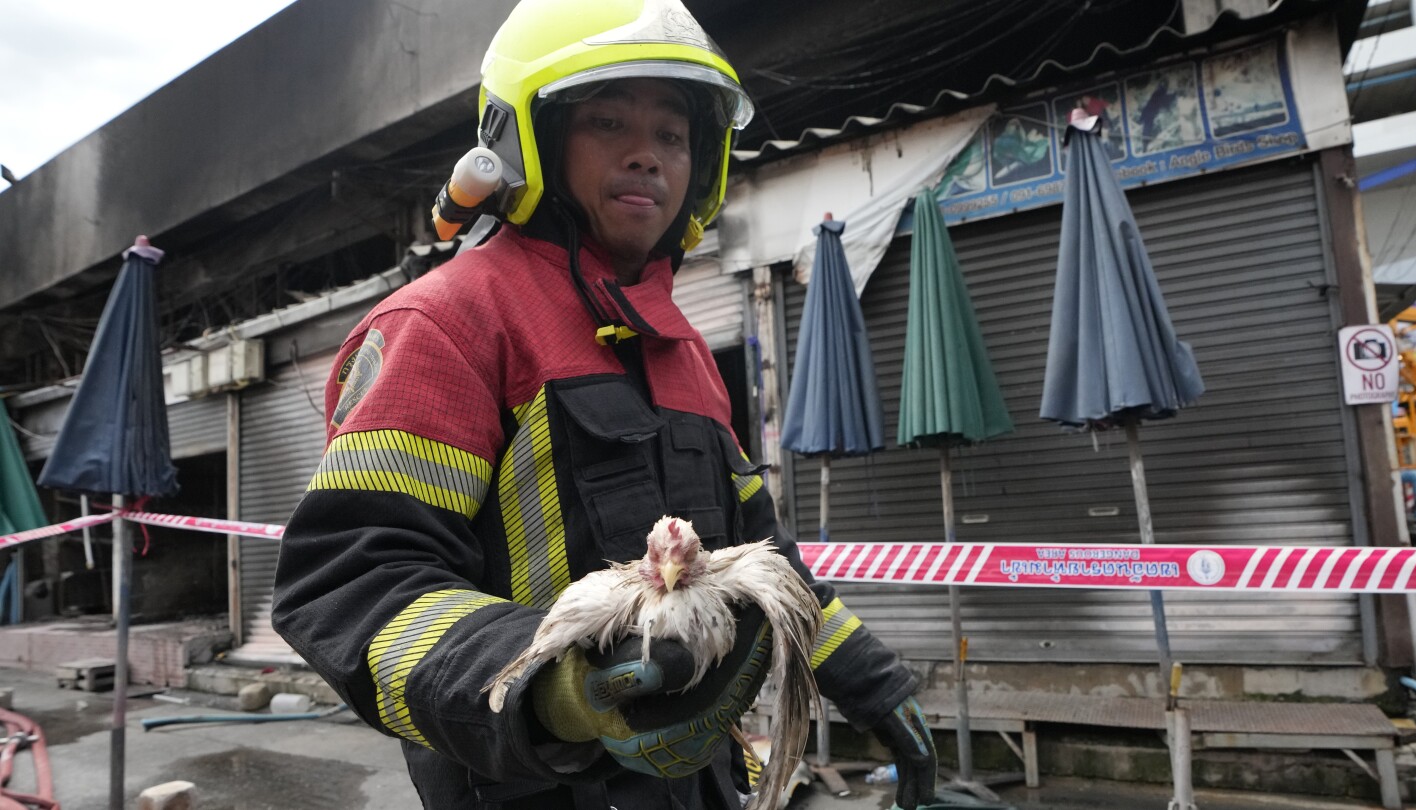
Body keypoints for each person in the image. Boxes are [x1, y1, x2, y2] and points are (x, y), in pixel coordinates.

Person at [271, 1, 937, 808]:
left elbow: (763, 559)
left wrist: (873, 687)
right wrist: (553, 686)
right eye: (609, 121)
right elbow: (352, 583)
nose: (647, 157)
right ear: (530, 144)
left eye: (673, 135)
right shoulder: (446, 323)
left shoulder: (679, 342)